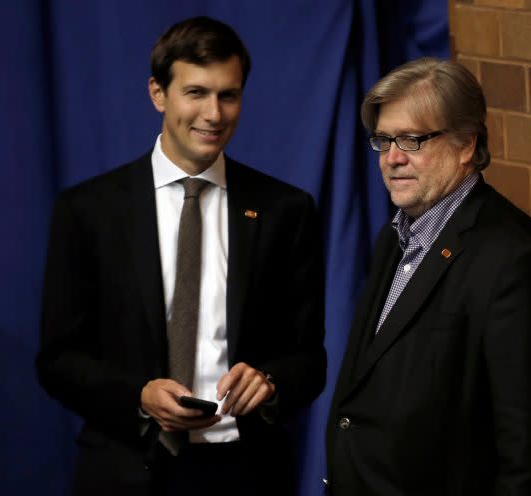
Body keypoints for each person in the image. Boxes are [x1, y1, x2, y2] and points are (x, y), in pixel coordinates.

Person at [37, 16, 325, 496]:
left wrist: (271, 382)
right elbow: (58, 359)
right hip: (126, 467)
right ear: (158, 93)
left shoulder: (285, 210)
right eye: (196, 92)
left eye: (228, 95)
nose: (214, 113)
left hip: (245, 471)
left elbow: (309, 358)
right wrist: (138, 396)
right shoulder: (88, 210)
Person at [325, 58, 531, 495]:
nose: (393, 159)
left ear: (466, 144)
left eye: (413, 140)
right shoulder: (397, 236)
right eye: (384, 141)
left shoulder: (515, 260)